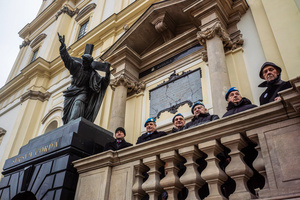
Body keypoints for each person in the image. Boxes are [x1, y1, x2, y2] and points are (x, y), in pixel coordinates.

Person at [58, 33, 111, 124]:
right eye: (83, 60)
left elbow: (102, 83)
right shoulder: (77, 66)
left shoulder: (92, 73)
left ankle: (72, 123)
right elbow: (67, 59)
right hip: (71, 92)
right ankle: (68, 124)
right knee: (66, 114)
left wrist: (107, 74)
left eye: (85, 61)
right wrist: (63, 47)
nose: (83, 62)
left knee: (78, 103)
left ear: (89, 63)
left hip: (82, 92)